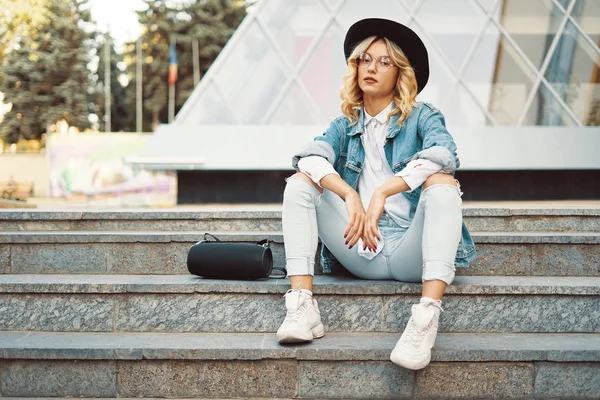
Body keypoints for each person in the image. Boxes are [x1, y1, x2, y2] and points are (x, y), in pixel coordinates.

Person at [275, 18, 477, 371]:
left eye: (385, 62)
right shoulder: (345, 124)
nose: (372, 67)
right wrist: (349, 196)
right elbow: (309, 156)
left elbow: (445, 155)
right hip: (359, 247)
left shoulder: (423, 117)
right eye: (365, 59)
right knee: (301, 181)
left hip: (411, 254)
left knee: (442, 183)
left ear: (400, 73)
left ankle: (425, 319)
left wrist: (384, 189)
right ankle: (302, 305)